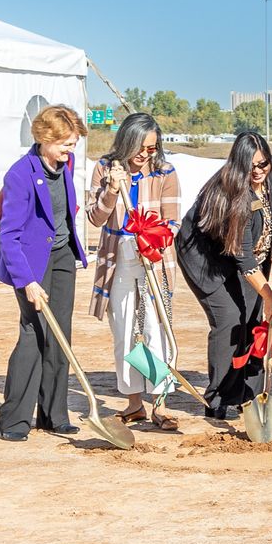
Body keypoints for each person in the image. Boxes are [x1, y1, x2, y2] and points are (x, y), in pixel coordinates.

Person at [0, 105, 89, 441]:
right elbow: (9, 235)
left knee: (60, 334)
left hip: (62, 256)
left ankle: (53, 414)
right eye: (66, 143)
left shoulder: (65, 165)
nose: (71, 149)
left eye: (73, 143)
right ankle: (14, 420)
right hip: (31, 263)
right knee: (34, 333)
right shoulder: (20, 174)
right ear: (45, 137)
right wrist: (27, 281)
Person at [84, 112, 182, 431]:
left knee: (156, 328)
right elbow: (95, 218)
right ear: (127, 141)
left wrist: (153, 239)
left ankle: (160, 403)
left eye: (151, 148)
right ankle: (134, 403)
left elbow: (173, 221)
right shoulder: (105, 168)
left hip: (153, 257)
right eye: (140, 147)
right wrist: (112, 190)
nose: (145, 154)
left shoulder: (165, 171)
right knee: (125, 327)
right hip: (118, 257)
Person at [177, 132, 272, 417]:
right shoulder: (232, 194)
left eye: (263, 164)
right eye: (250, 166)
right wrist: (269, 295)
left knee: (251, 320)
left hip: (234, 255)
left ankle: (248, 394)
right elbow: (243, 257)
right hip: (205, 260)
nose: (258, 171)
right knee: (229, 320)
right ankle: (217, 398)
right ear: (238, 164)